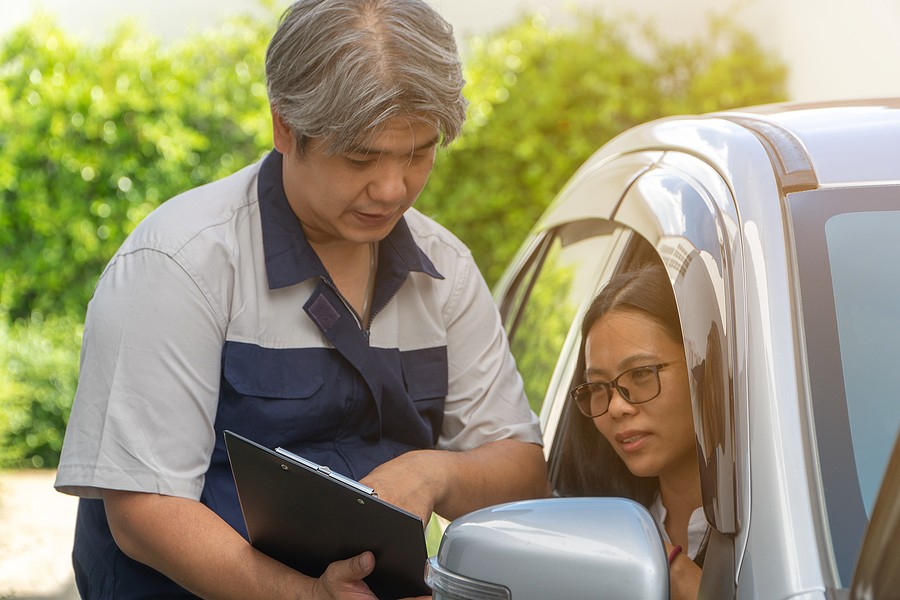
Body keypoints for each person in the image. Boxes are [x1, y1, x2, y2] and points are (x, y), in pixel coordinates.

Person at [54, 1, 549, 598]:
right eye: (362, 157)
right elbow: (143, 509)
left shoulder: (447, 271)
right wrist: (305, 595)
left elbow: (522, 471)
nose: (393, 189)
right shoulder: (179, 262)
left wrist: (434, 473)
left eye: (418, 153)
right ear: (284, 125)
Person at [555, 263, 705, 600]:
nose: (615, 408)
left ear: (703, 366)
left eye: (640, 374)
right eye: (597, 387)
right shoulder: (592, 538)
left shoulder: (790, 527)